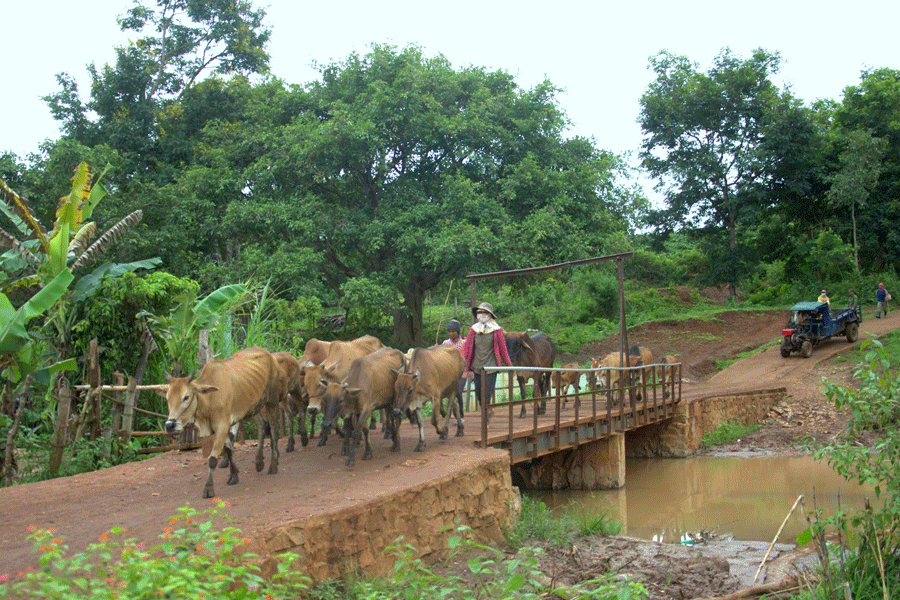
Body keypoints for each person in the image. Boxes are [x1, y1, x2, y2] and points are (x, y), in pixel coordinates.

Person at [462, 302, 513, 409]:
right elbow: (466, 348)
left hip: (491, 367)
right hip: (477, 367)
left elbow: (503, 350)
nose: (482, 314)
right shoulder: (473, 330)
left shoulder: (496, 331)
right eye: (480, 312)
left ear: (490, 315)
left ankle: (485, 416)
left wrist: (510, 366)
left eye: (485, 312)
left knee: (487, 395)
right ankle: (486, 412)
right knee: (479, 395)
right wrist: (462, 362)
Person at [441, 319, 467, 420]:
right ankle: (455, 416)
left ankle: (460, 416)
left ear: (458, 332)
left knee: (458, 392)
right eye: (449, 331)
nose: (451, 334)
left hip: (462, 372)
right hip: (449, 373)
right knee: (450, 393)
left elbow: (467, 357)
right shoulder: (445, 343)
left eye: (453, 331)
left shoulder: (463, 343)